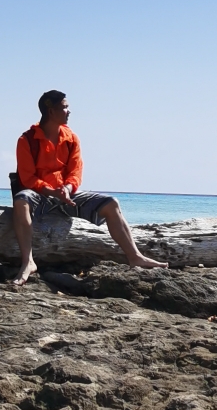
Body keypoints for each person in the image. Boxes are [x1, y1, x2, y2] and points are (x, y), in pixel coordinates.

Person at [10, 90, 164, 287]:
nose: (69, 111)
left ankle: (135, 256)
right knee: (21, 200)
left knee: (111, 203)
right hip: (40, 195)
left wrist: (66, 188)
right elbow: (28, 178)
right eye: (64, 107)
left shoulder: (71, 138)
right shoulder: (27, 140)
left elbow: (75, 172)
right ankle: (28, 262)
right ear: (50, 111)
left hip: (67, 194)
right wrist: (51, 191)